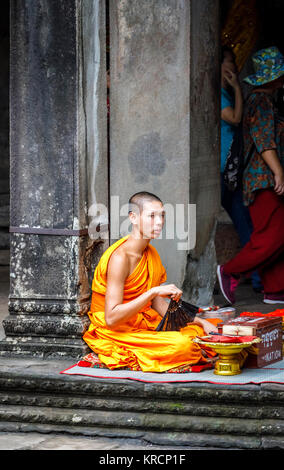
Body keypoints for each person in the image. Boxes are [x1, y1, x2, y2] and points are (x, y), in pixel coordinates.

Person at [83, 191, 219, 373]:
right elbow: (112, 318)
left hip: (141, 322)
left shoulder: (150, 253)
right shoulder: (120, 258)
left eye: (162, 216)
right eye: (152, 216)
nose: (159, 222)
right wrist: (152, 292)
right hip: (117, 330)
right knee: (184, 345)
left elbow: (157, 304)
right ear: (133, 218)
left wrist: (199, 322)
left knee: (208, 330)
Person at [217, 46, 284, 305]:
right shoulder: (261, 102)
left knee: (274, 234)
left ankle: (275, 289)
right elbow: (264, 140)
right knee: (272, 235)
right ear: (275, 77)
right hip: (263, 179)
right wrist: (278, 171)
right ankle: (230, 271)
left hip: (264, 179)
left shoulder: (264, 101)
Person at [220, 46, 262, 292]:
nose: (234, 68)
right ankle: (255, 278)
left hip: (231, 168)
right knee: (245, 223)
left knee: (246, 221)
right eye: (229, 63)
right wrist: (237, 87)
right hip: (226, 170)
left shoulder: (224, 92)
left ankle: (253, 277)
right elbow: (235, 118)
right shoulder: (221, 93)